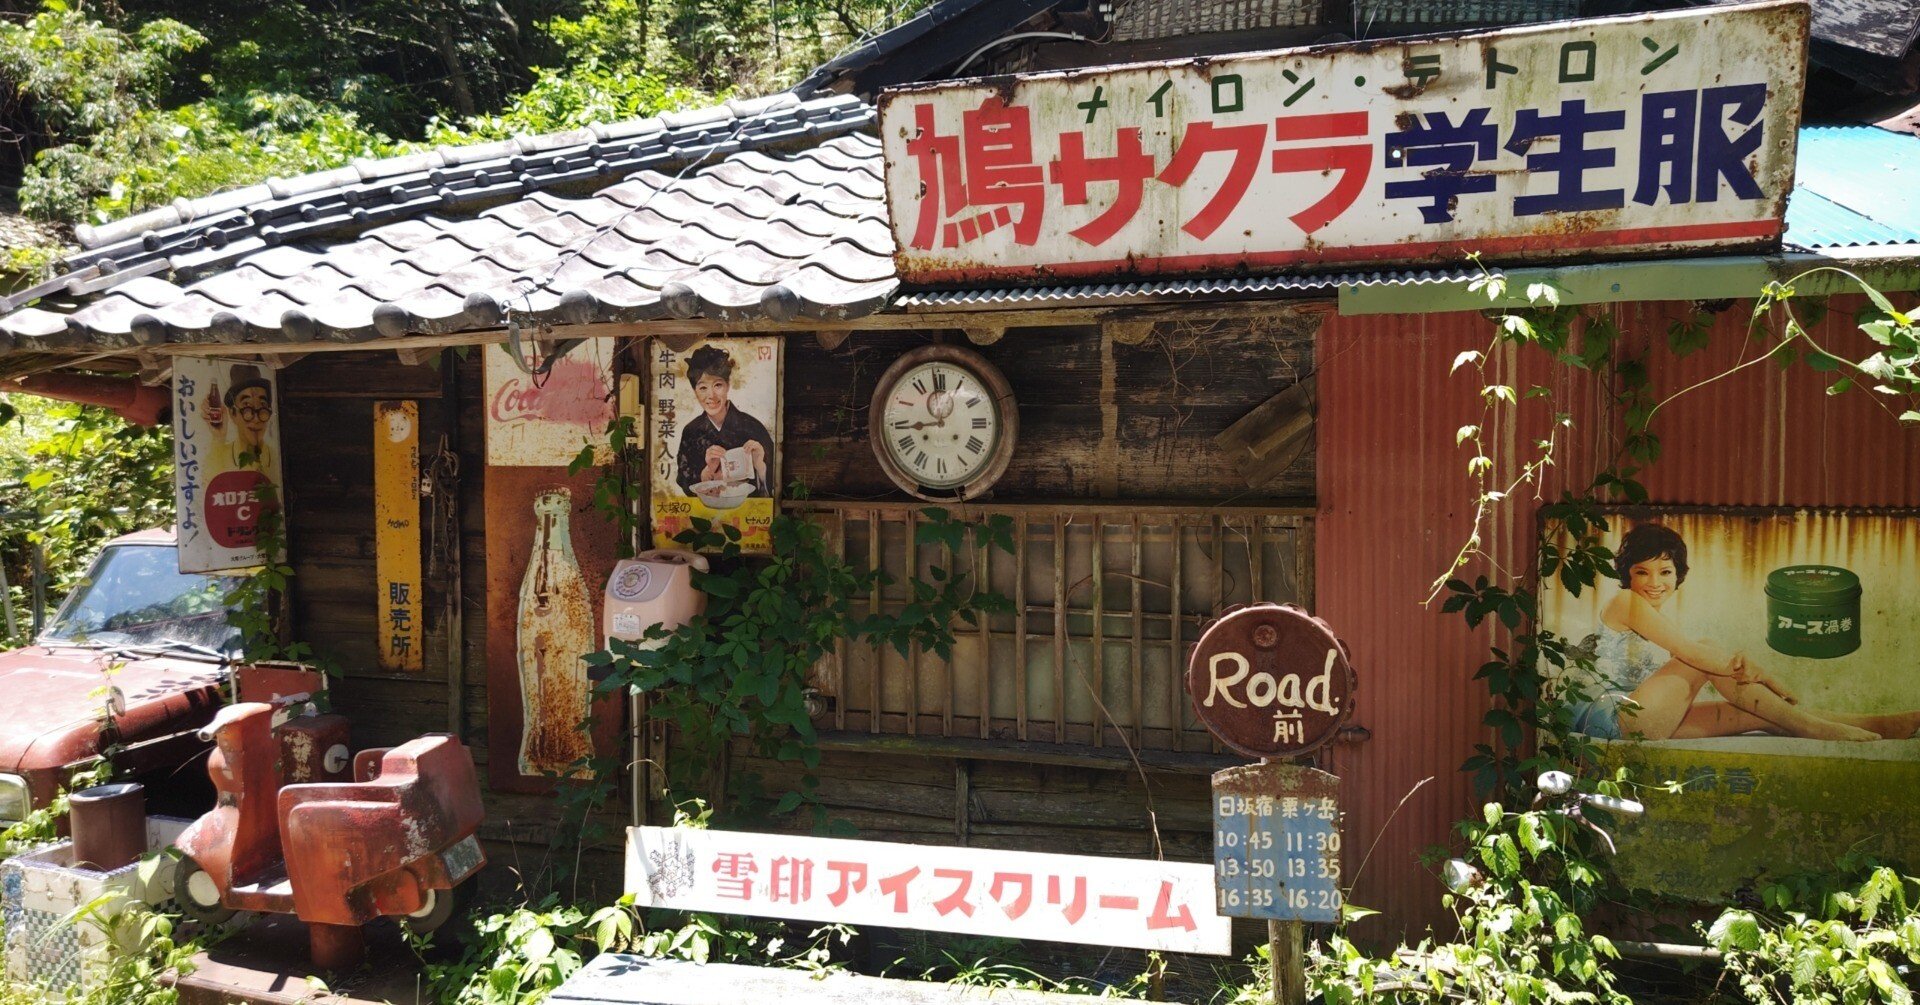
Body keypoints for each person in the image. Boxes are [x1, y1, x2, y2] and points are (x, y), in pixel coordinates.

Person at [1570, 522, 1920, 743]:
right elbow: (1695, 655)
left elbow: (1701, 660)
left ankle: (1880, 725)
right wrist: (1766, 676)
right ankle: (1816, 728)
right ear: (1627, 574)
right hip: (1611, 721)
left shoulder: (1655, 619)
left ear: (1678, 575)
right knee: (1702, 649)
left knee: (1757, 713)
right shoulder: (1625, 601)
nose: (1655, 582)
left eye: (1665, 571)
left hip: (1640, 719)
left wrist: (1754, 676)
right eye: (1642, 572)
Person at [672, 344, 774, 498]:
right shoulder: (691, 431)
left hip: (746, 509)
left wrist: (760, 466)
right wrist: (708, 471)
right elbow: (683, 480)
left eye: (718, 385)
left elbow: (772, 488)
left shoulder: (753, 427)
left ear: (727, 386)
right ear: (695, 391)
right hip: (705, 510)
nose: (711, 396)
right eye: (703, 388)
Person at [204, 363, 277, 473]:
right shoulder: (220, 457)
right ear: (233, 413)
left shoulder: (275, 459)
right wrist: (219, 437)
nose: (256, 419)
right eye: (247, 406)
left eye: (263, 405)